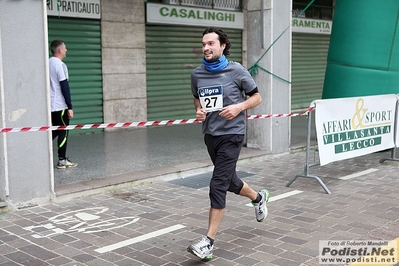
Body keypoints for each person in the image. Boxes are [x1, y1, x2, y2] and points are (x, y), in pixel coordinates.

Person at [187, 27, 270, 260]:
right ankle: (258, 197)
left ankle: (208, 243)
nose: (206, 47)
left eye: (211, 43)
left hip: (232, 135)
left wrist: (238, 107)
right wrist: (198, 111)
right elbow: (197, 97)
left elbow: (256, 97)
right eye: (204, 43)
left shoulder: (237, 71)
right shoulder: (197, 74)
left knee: (217, 184)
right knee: (230, 181)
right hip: (210, 134)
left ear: (223, 46)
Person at [49, 40, 78, 169]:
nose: (66, 50)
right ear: (60, 50)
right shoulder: (59, 65)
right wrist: (69, 106)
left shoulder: (48, 62)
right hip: (60, 105)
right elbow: (64, 86)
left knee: (53, 130)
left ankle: (39, 147)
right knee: (63, 130)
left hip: (50, 104)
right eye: (65, 48)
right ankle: (62, 159)